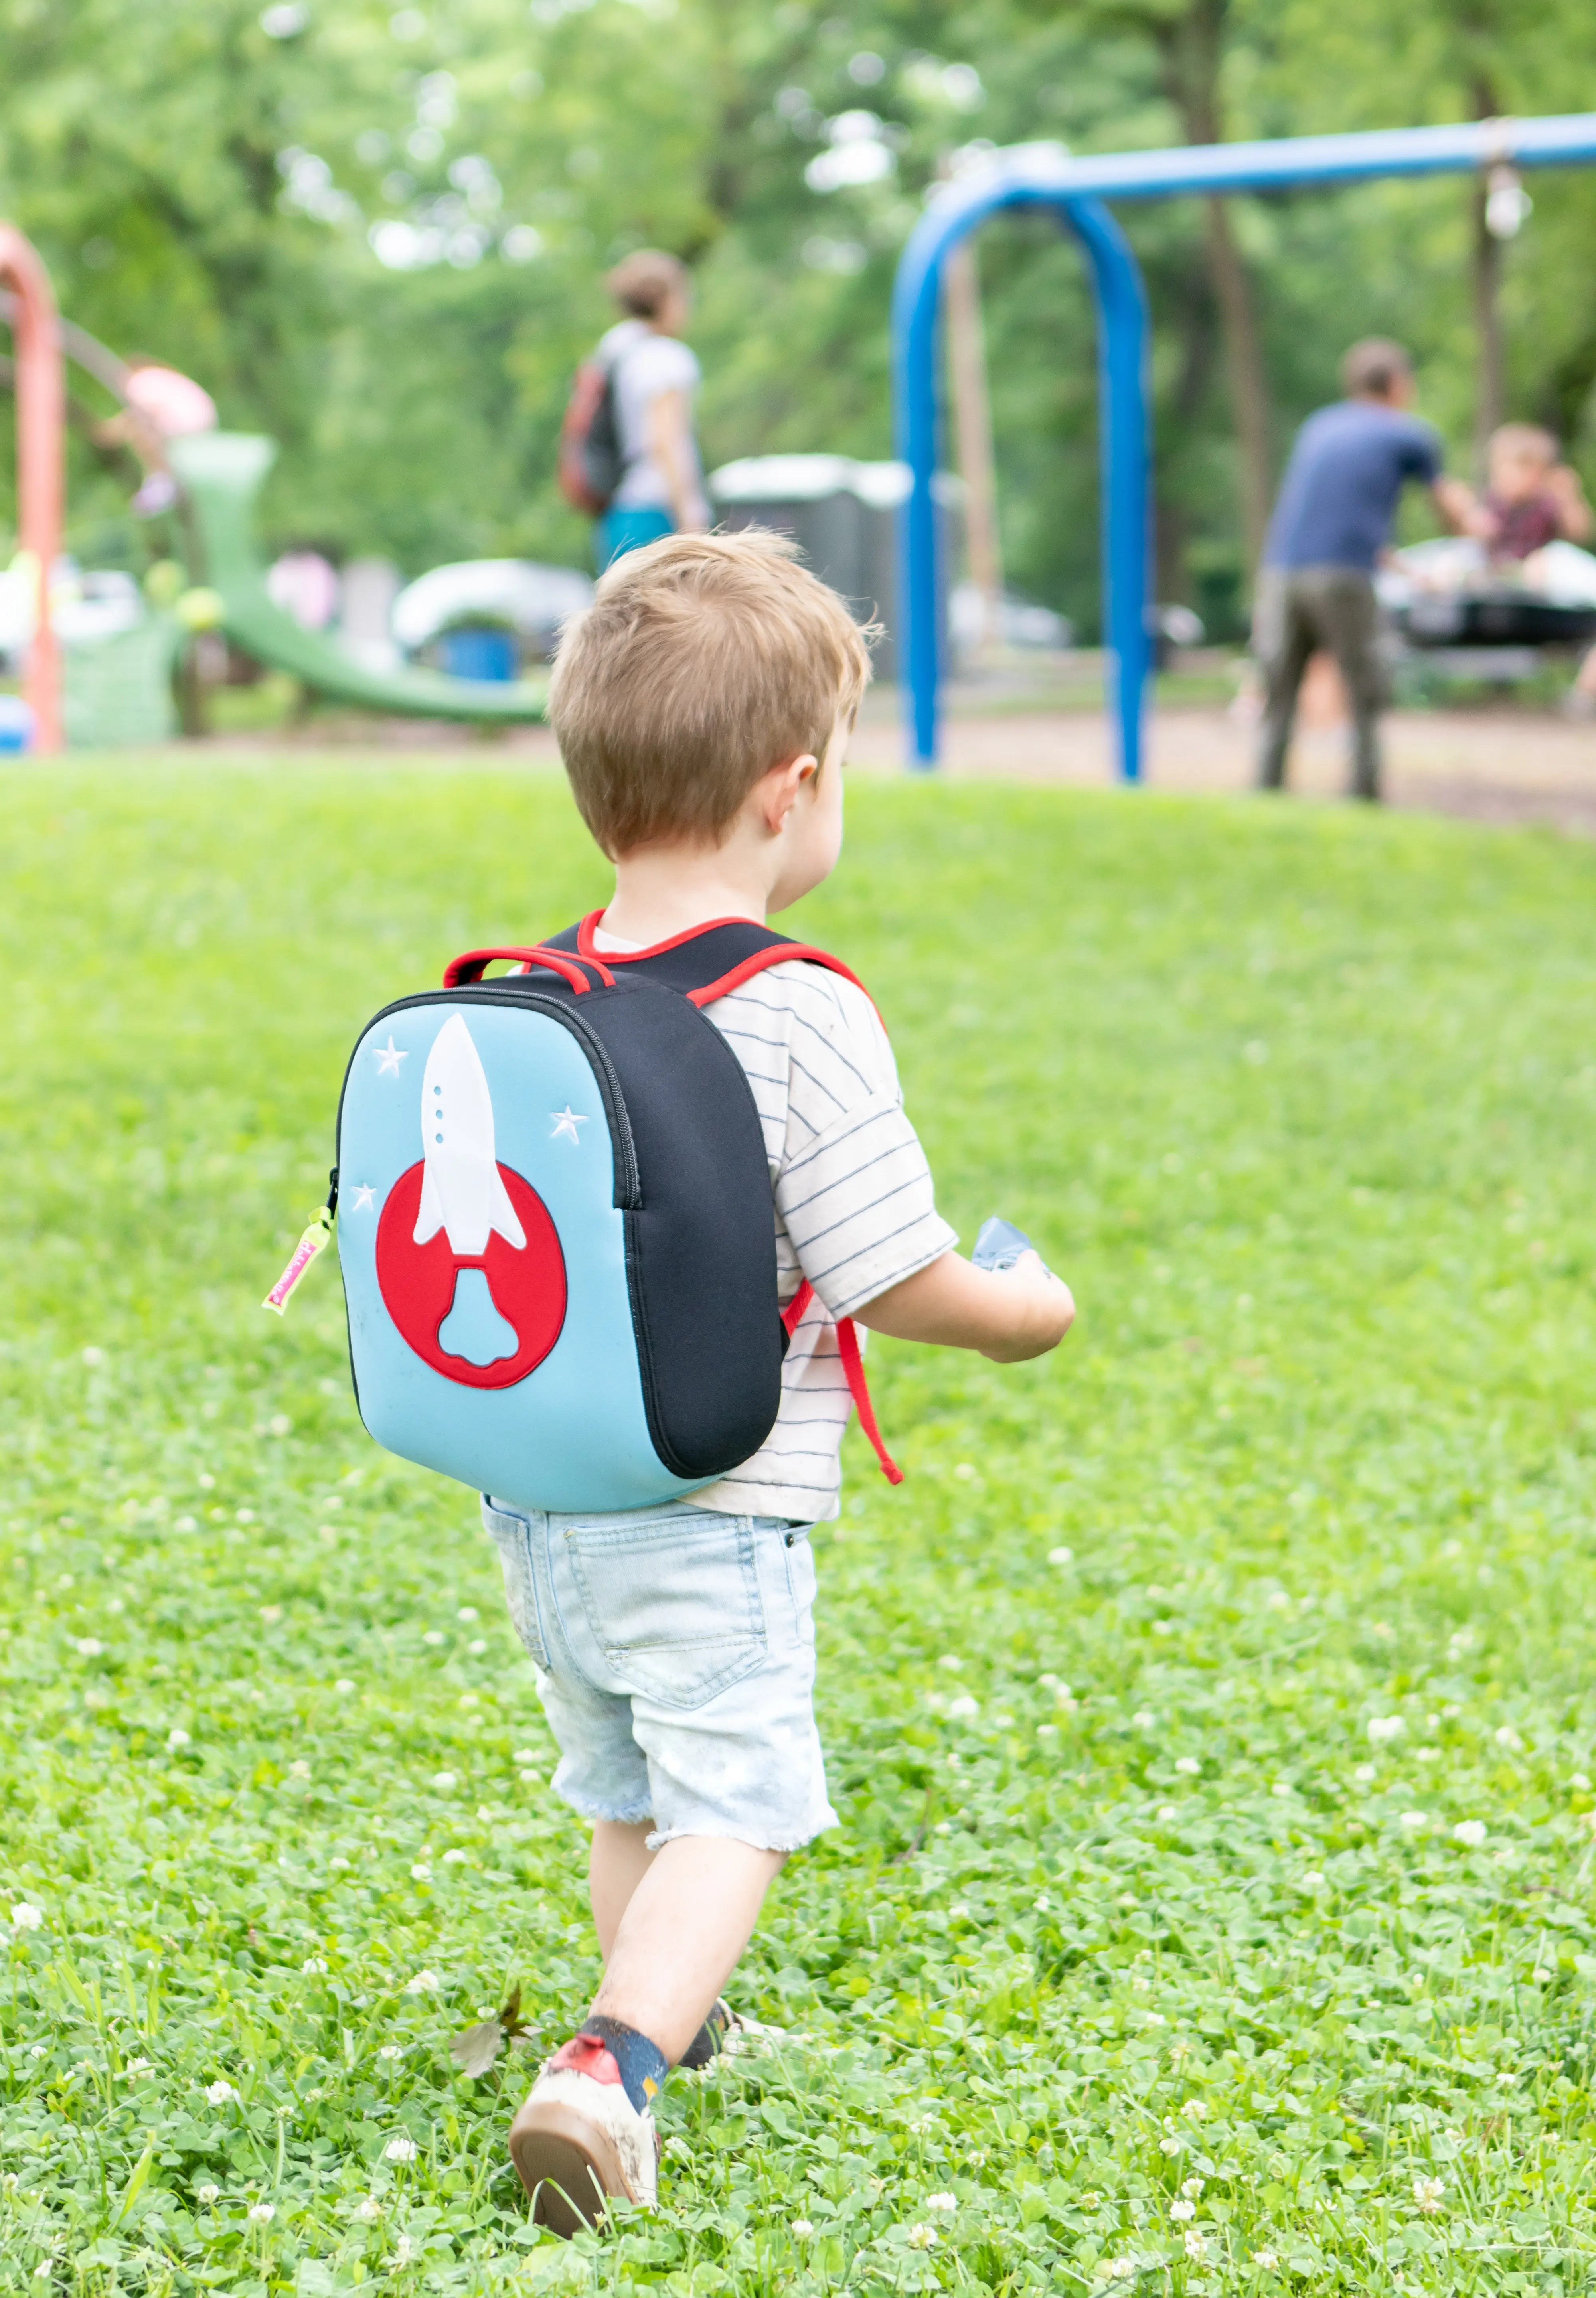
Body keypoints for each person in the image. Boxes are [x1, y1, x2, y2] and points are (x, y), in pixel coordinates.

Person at [494, 531, 1075, 2229]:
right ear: (792, 788)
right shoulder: (795, 1012)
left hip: (541, 1502)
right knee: (735, 1802)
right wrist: (1023, 1312)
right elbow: (891, 1275)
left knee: (631, 1787)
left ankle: (668, 2015)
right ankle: (608, 2071)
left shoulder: (537, 990)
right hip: (712, 1503)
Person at [1256, 338, 1477, 802]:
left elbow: (1338, 520)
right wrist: (1477, 525)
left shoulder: (1319, 426)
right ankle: (1364, 793)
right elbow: (1448, 509)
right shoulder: (1407, 435)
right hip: (1343, 579)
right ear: (1397, 384)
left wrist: (1406, 569)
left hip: (1282, 572)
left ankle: (1266, 789)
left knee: (1280, 690)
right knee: (1363, 687)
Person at [589, 250, 710, 570]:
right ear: (665, 300)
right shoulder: (666, 357)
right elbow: (666, 441)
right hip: (658, 512)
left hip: (619, 512)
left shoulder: (616, 350)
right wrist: (691, 518)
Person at [1479, 422, 1593, 563]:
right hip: (1503, 565)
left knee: (1561, 552)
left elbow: (1581, 533)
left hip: (1542, 565)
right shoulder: (1495, 503)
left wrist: (1569, 498)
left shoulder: (1547, 502)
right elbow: (1483, 532)